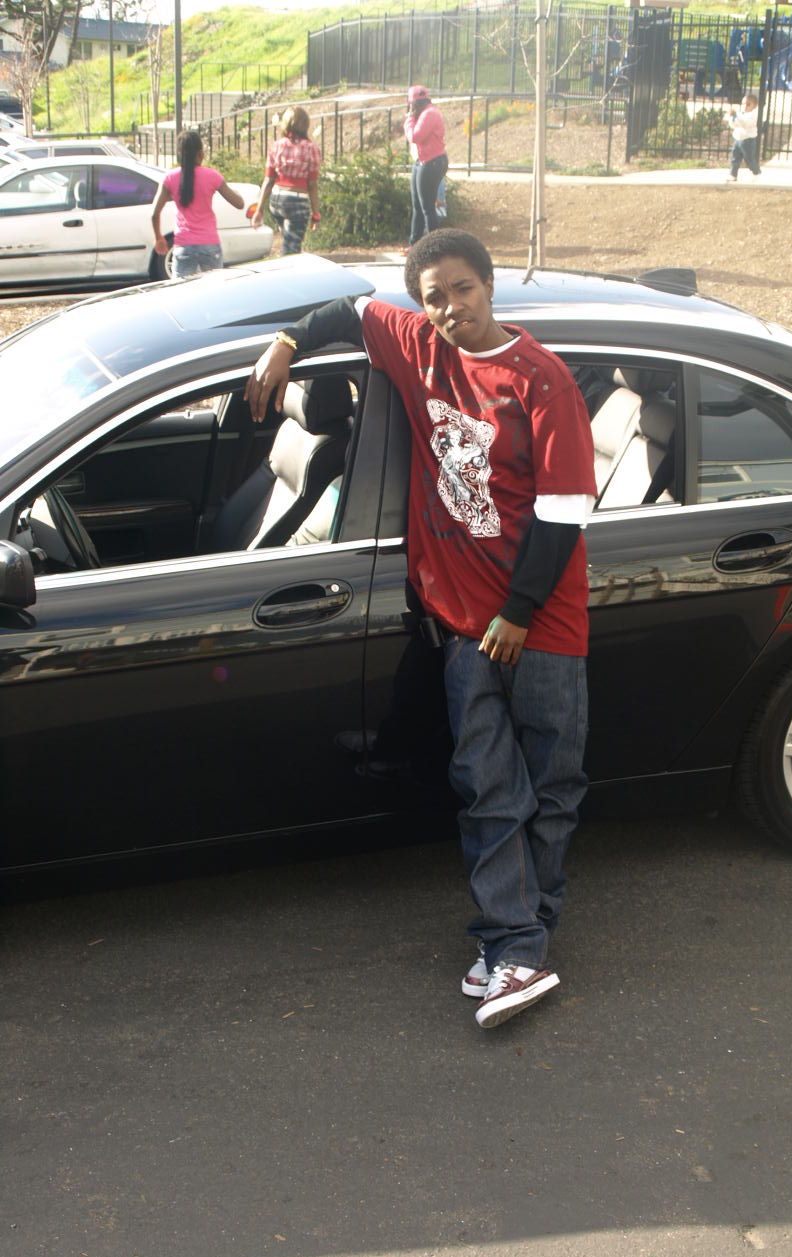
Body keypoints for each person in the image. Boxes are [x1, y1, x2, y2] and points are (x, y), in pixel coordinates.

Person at [244, 229, 596, 1030]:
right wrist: (286, 342)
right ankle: (516, 944)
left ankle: (519, 942)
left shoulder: (540, 380)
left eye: (463, 289)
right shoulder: (417, 345)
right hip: (465, 627)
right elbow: (346, 309)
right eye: (434, 297)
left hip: (540, 626)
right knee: (486, 787)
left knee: (550, 788)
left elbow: (563, 512)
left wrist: (517, 612)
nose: (450, 307)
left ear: (489, 286)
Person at [150, 130, 246, 279]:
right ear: (200, 154)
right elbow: (239, 203)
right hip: (210, 245)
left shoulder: (170, 178)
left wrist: (158, 237)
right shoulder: (212, 176)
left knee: (182, 290)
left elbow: (154, 214)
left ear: (179, 154)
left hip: (184, 246)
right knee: (214, 289)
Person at [252, 105, 322, 254]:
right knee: (292, 249)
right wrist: (315, 213)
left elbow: (268, 180)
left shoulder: (276, 146)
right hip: (297, 200)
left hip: (277, 200)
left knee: (288, 241)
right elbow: (312, 184)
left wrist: (259, 209)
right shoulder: (311, 149)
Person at [404, 85, 448, 246]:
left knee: (427, 208)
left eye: (412, 104)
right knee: (417, 206)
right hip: (422, 161)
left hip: (432, 162)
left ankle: (434, 247)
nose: (411, 108)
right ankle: (414, 244)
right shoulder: (424, 113)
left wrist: (409, 119)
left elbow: (415, 136)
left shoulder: (430, 113)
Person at [724, 93, 761, 182]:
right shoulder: (740, 114)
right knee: (735, 158)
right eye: (744, 103)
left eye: (748, 104)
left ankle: (756, 172)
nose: (745, 106)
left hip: (748, 140)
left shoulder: (753, 115)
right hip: (738, 139)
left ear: (755, 106)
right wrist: (732, 118)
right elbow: (734, 125)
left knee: (749, 159)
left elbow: (745, 124)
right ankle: (733, 174)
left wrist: (736, 116)